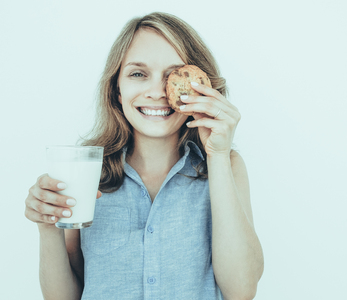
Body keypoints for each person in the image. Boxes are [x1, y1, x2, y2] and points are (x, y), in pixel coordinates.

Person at [24, 12, 264, 300]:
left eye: (172, 76)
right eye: (138, 74)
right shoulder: (88, 172)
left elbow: (241, 290)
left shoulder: (224, 166)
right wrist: (47, 226)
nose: (156, 92)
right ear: (117, 90)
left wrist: (219, 154)